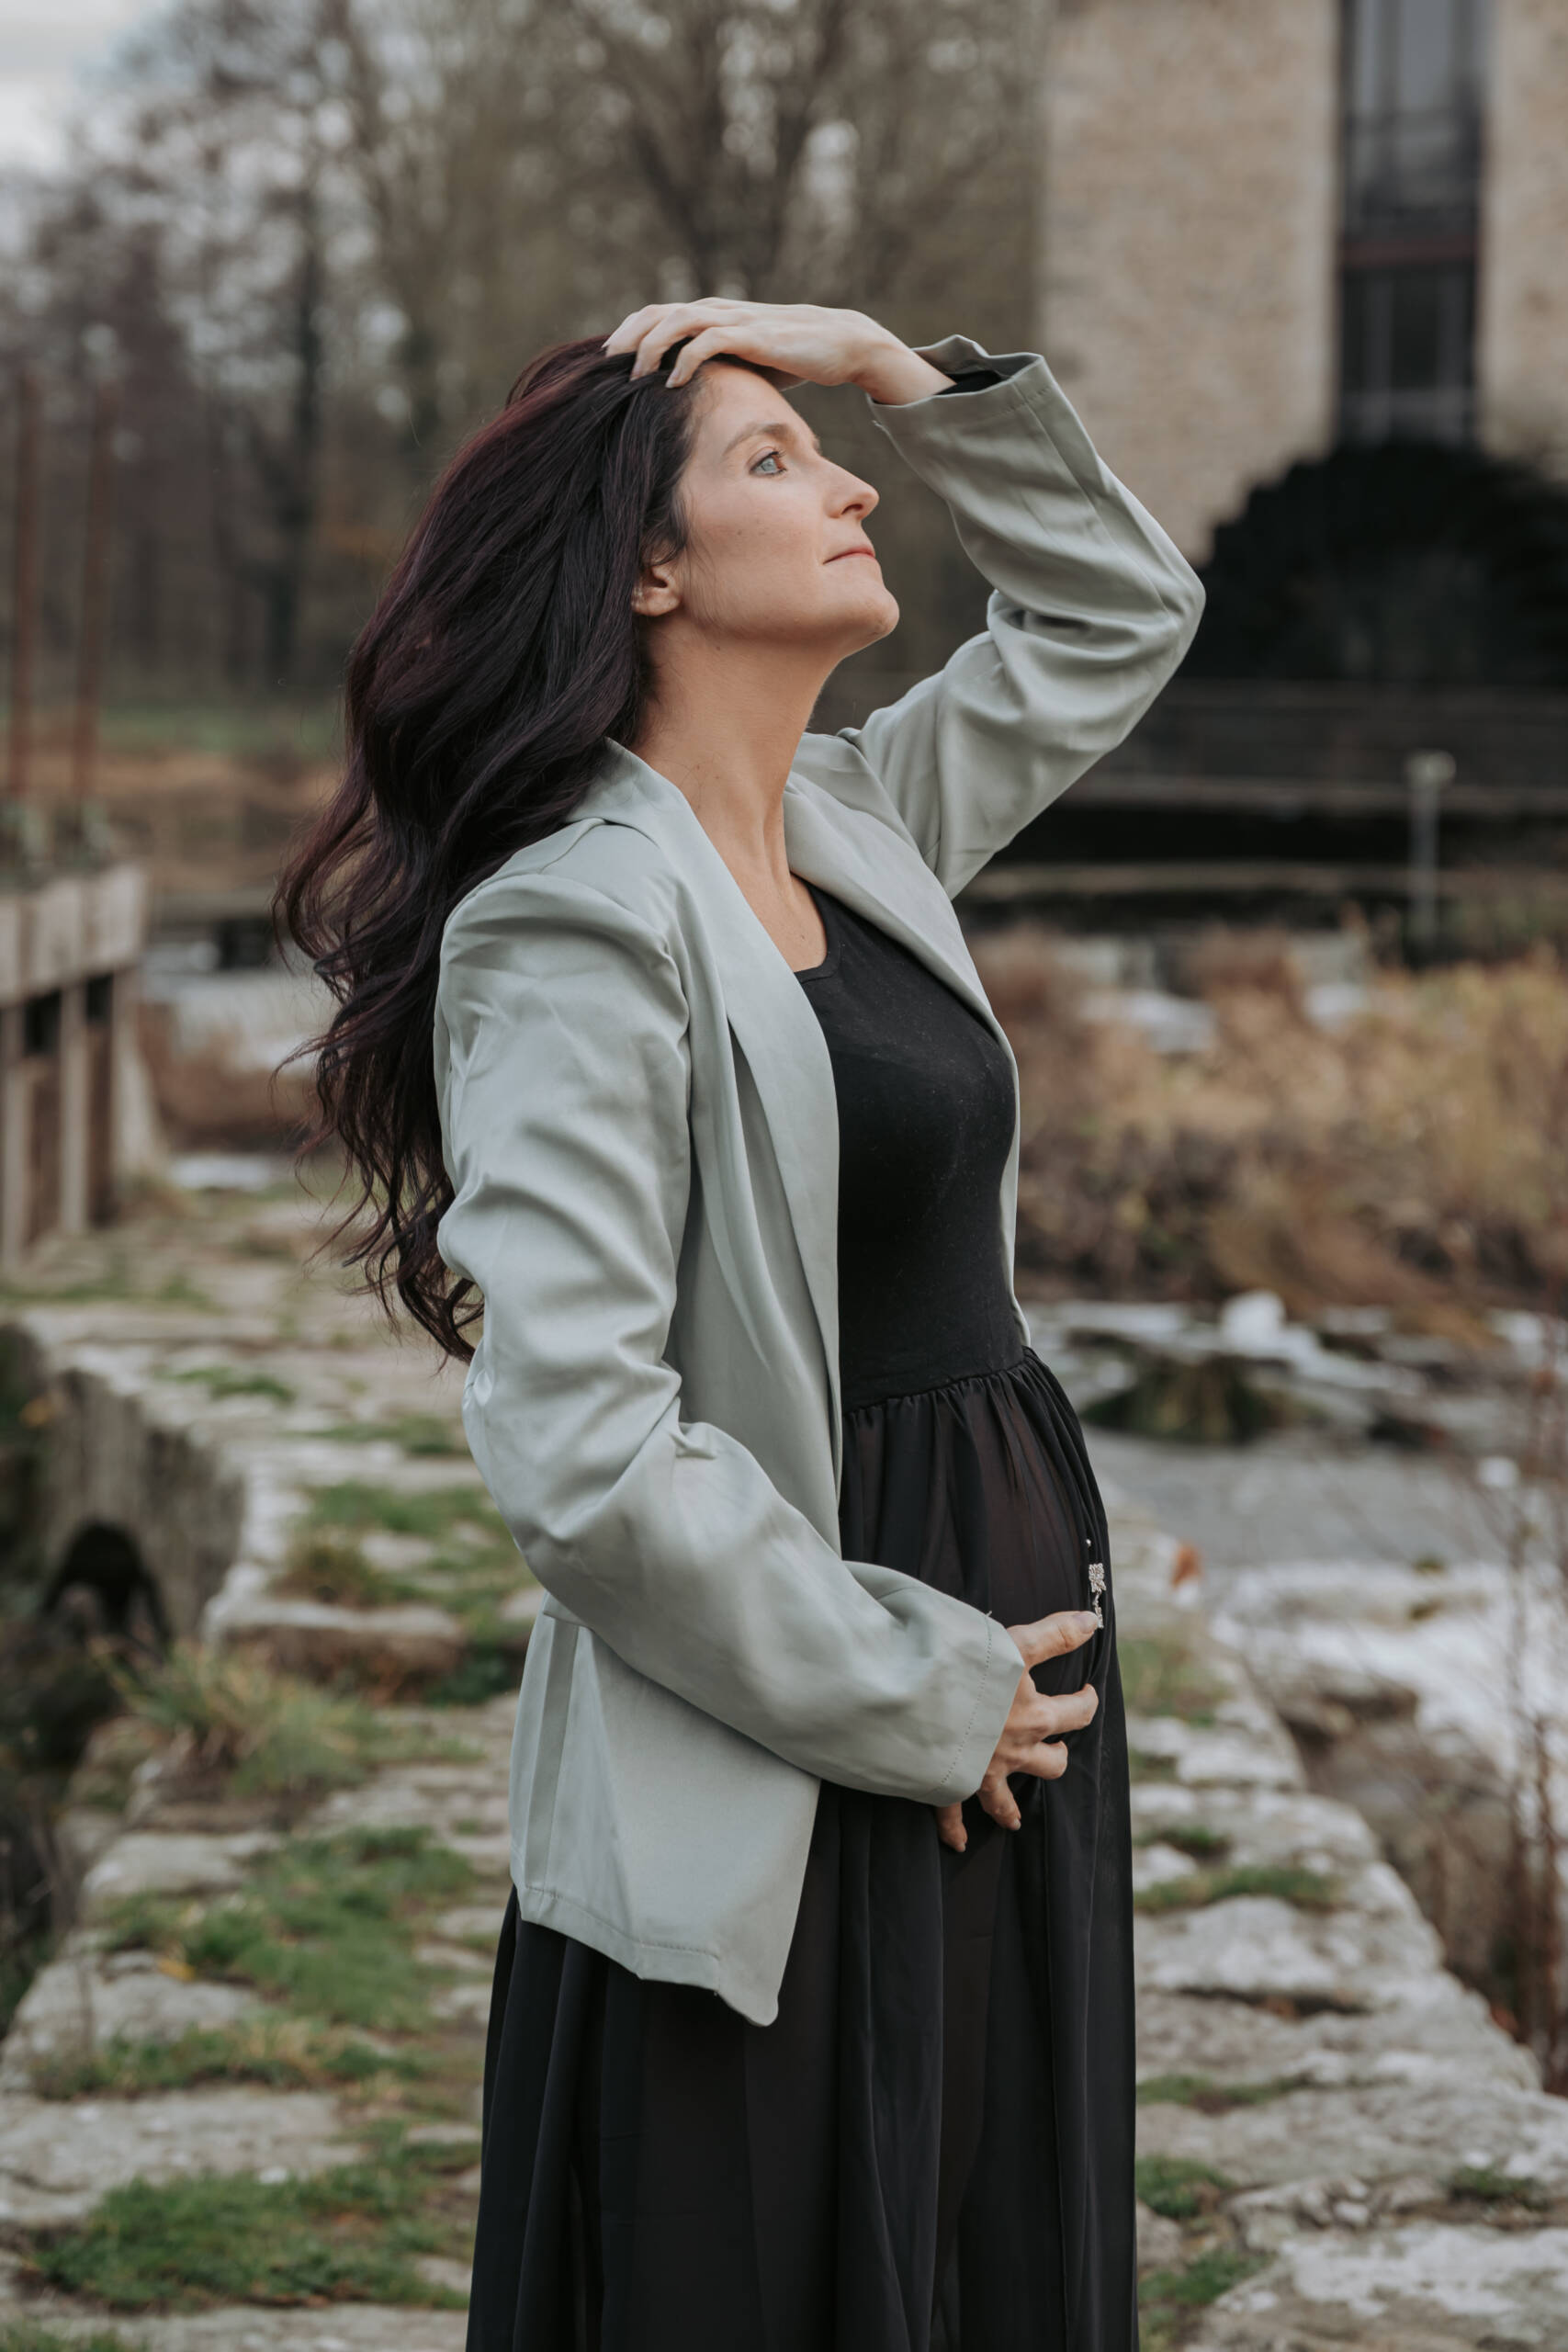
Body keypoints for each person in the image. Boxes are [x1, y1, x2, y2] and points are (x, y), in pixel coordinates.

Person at [279, 296, 1204, 2351]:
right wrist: (903, 1682)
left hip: (1000, 1630)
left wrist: (897, 367)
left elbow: (1116, 614)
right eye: (776, 460)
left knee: (988, 2230)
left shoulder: (855, 820)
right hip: (801, 1681)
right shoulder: (574, 916)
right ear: (647, 565)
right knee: (779, 2261)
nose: (852, 481)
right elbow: (577, 1449)